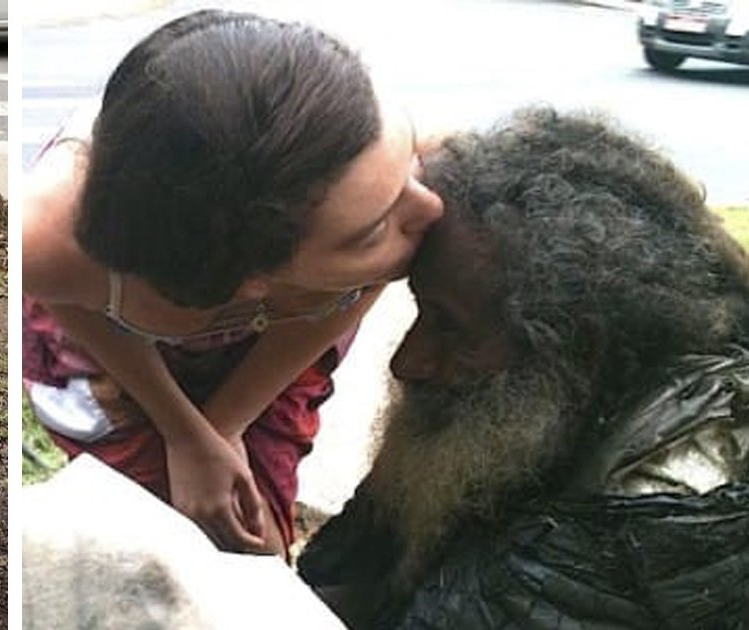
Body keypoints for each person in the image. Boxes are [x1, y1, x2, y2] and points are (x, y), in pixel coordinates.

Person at [298, 107, 749, 628]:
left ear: (579, 347)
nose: (408, 361)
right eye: (422, 311)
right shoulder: (520, 408)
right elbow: (346, 578)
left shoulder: (660, 503)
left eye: (450, 328)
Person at [23, 9, 443, 557]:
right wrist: (182, 433)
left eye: (408, 161)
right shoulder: (53, 240)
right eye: (370, 232)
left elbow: (350, 292)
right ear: (254, 280)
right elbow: (70, 302)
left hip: (280, 349)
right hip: (118, 352)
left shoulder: (382, 174)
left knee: (254, 545)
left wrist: (222, 428)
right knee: (152, 543)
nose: (432, 208)